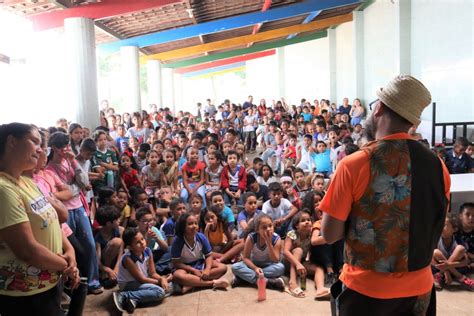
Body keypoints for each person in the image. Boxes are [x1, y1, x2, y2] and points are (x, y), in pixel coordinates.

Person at [320, 75, 451, 315]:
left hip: (365, 291)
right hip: (420, 290)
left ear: (378, 108)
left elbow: (329, 234)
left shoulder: (355, 164)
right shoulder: (437, 165)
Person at [0, 123, 79, 315]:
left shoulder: (27, 182)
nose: (40, 149)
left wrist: (69, 251)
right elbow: (26, 250)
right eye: (34, 141)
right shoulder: (3, 188)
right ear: (12, 141)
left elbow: (53, 220)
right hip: (26, 294)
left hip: (50, 281)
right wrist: (65, 266)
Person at [114, 228, 169, 314]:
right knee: (160, 292)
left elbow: (153, 273)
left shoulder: (147, 251)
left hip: (141, 281)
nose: (142, 243)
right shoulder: (128, 258)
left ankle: (133, 300)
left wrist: (162, 279)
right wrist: (161, 281)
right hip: (128, 284)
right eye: (137, 243)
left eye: (142, 239)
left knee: (168, 286)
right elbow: (142, 279)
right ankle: (123, 295)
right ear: (130, 247)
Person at [171, 213, 229, 293]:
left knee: (223, 267)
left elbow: (209, 256)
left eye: (196, 223)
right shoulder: (177, 241)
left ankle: (191, 283)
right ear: (183, 226)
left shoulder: (201, 237)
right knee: (177, 276)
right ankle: (212, 283)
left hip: (200, 263)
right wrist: (193, 270)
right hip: (184, 267)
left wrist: (207, 269)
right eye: (190, 224)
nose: (194, 226)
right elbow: (176, 263)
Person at [231, 214, 285, 290]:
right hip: (253, 264)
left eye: (270, 226)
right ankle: (268, 282)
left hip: (268, 265)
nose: (268, 229)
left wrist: (269, 243)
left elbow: (275, 259)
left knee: (280, 268)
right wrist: (255, 268)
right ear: (257, 230)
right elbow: (245, 258)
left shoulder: (276, 238)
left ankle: (243, 279)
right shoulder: (252, 237)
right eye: (264, 227)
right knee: (235, 267)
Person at [432, 213, 473, 290]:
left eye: (445, 225)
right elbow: (430, 259)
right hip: (439, 268)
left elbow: (466, 261)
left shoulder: (458, 239)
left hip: (456, 268)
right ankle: (461, 278)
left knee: (460, 248)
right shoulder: (436, 239)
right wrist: (446, 272)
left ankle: (439, 275)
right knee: (435, 252)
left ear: (454, 229)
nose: (441, 227)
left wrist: (448, 265)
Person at [283, 211, 312, 298]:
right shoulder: (292, 234)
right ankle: (292, 282)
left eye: (308, 220)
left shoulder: (311, 235)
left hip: (301, 263)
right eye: (303, 220)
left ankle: (321, 288)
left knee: (318, 269)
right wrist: (298, 264)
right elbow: (285, 252)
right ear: (296, 225)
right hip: (287, 262)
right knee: (298, 250)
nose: (307, 222)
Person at [94, 205, 124, 287]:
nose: (119, 221)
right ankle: (105, 275)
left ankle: (114, 273)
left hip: (116, 262)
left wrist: (116, 268)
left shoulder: (120, 230)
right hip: (104, 264)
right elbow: (98, 261)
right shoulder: (98, 236)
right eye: (116, 220)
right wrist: (107, 269)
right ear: (108, 223)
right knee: (116, 242)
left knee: (119, 241)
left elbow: (121, 252)